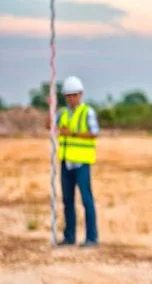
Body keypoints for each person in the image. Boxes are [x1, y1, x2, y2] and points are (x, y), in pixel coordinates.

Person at [46, 75, 100, 247]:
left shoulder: (87, 112)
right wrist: (50, 108)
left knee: (86, 199)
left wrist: (73, 133)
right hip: (66, 162)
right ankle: (69, 237)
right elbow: (49, 126)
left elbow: (94, 132)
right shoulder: (61, 112)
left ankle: (92, 237)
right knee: (67, 201)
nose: (71, 98)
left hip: (82, 163)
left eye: (74, 94)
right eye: (68, 95)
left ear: (81, 94)